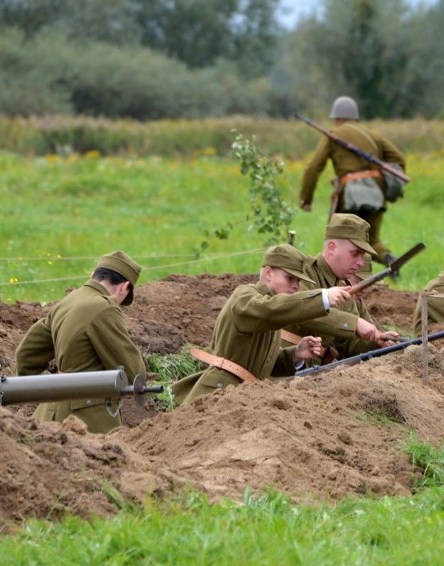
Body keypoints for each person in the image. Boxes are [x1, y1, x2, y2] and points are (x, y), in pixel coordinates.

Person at [173, 244, 352, 403]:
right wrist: (322, 298)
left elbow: (264, 362)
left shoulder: (271, 312)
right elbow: (270, 310)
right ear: (268, 273)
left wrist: (296, 354)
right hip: (217, 394)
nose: (295, 286)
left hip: (241, 396)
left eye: (298, 281)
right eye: (289, 278)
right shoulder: (246, 296)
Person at [15, 250, 146, 434]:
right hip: (87, 424)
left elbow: (25, 355)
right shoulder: (105, 308)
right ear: (124, 287)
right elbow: (134, 373)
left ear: (93, 275)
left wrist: (48, 385)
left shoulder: (67, 301)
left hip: (47, 416)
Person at [299, 96, 406, 266]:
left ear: (338, 118)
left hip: (350, 197)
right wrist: (384, 185)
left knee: (337, 239)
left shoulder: (334, 135)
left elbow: (313, 167)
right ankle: (388, 258)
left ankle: (338, 280)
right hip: (376, 195)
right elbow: (399, 159)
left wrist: (306, 198)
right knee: (371, 240)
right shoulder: (373, 135)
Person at [287, 214, 400, 359]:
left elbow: (347, 345)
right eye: (355, 254)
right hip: (282, 370)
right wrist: (354, 323)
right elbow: (299, 309)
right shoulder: (301, 272)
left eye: (362, 255)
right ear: (332, 248)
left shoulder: (344, 290)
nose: (360, 263)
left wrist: (376, 343)